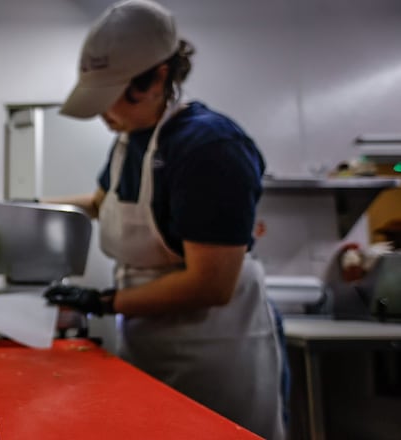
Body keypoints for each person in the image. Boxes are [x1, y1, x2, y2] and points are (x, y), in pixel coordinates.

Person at [42, 1, 287, 439]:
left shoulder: (210, 147)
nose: (102, 114)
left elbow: (210, 284)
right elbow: (102, 202)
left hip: (214, 352)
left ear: (158, 77)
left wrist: (102, 302)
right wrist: (23, 207)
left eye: (112, 95)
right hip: (149, 339)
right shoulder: (129, 138)